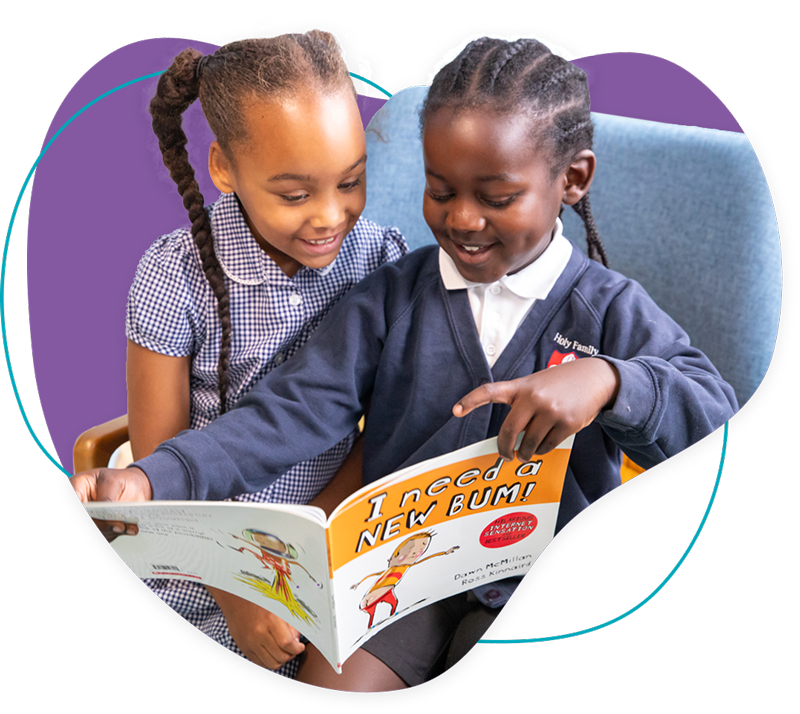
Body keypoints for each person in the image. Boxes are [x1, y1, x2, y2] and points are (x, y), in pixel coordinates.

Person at [71, 36, 738, 691]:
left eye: (497, 197)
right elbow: (288, 413)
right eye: (441, 191)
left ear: (572, 179)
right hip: (396, 582)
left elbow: (716, 422)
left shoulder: (610, 310)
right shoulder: (393, 292)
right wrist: (156, 478)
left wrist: (614, 381)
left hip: (535, 584)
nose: (464, 221)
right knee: (332, 688)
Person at [113, 30, 408, 679]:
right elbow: (157, 480)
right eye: (296, 195)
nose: (331, 216)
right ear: (224, 168)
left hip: (327, 539)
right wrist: (241, 592)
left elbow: (383, 434)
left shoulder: (381, 259)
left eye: (351, 181)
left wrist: (306, 554)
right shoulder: (173, 277)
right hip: (199, 564)